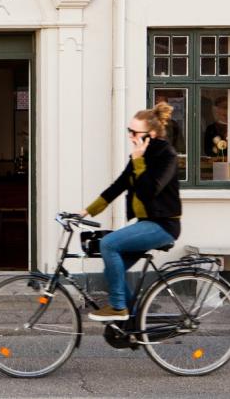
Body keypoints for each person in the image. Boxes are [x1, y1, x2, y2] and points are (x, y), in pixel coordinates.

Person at [80, 102, 182, 321]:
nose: (130, 136)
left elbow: (149, 191)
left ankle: (119, 307)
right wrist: (85, 212)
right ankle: (135, 322)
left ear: (151, 134)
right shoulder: (139, 157)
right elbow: (118, 186)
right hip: (146, 224)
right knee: (111, 271)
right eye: (129, 131)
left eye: (134, 132)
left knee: (108, 244)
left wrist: (137, 161)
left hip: (163, 226)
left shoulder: (167, 156)